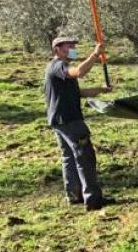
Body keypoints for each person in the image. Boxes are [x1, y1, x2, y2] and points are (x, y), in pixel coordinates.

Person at [44, 35, 111, 210]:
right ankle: (93, 200)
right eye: (69, 46)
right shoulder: (59, 66)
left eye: (74, 45)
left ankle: (74, 196)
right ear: (57, 49)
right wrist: (95, 55)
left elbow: (77, 92)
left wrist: (99, 90)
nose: (73, 48)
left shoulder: (56, 69)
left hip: (58, 120)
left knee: (69, 157)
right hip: (70, 120)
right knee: (85, 156)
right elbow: (79, 72)